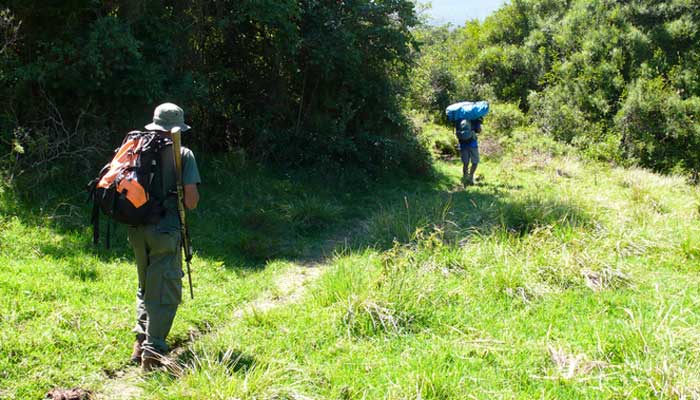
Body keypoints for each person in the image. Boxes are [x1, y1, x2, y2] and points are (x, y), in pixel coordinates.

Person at [128, 102, 201, 371]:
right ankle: (154, 349)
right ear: (178, 127)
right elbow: (191, 201)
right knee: (166, 289)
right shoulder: (183, 153)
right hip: (166, 230)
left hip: (136, 228)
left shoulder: (136, 149)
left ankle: (140, 340)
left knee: (146, 283)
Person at [456, 117, 482, 186]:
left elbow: (457, 132)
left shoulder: (459, 119)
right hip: (473, 144)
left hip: (463, 145)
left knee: (465, 163)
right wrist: (478, 122)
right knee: (475, 162)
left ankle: (465, 178)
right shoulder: (475, 118)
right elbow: (479, 131)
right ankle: (470, 177)